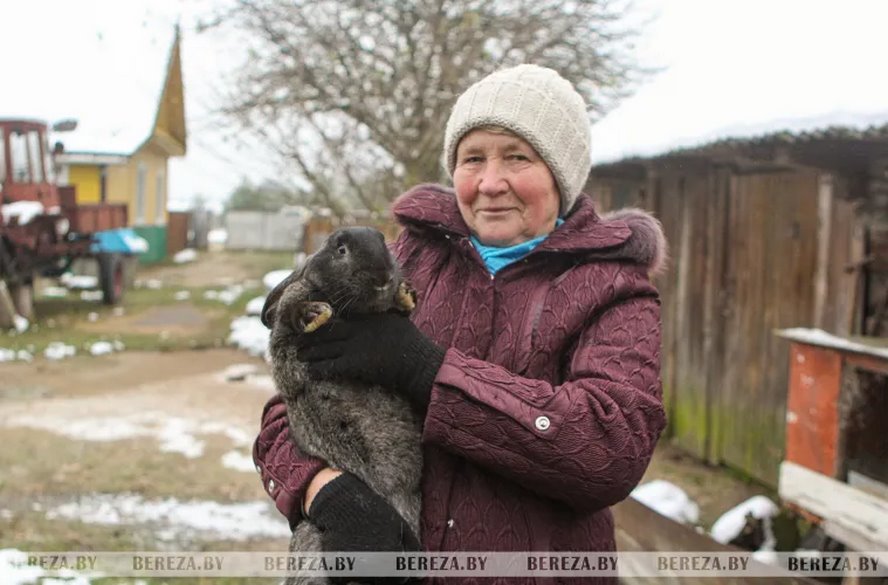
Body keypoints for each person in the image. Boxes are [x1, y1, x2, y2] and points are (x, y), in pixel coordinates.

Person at [253, 64, 667, 583]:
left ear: (561, 173)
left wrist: (423, 368)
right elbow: (290, 407)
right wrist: (327, 492)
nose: (491, 183)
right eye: (474, 158)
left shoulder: (614, 291)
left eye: (517, 157)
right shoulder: (402, 266)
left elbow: (608, 450)